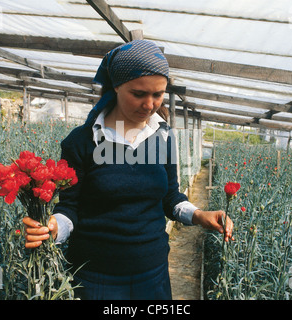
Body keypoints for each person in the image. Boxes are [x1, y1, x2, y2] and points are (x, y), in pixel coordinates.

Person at [22, 39, 234, 300]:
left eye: (157, 95)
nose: (149, 104)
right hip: (94, 279)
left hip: (152, 275)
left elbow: (171, 198)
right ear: (117, 86)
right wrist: (53, 227)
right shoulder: (82, 142)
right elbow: (69, 208)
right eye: (139, 94)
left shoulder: (163, 136)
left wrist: (200, 215)